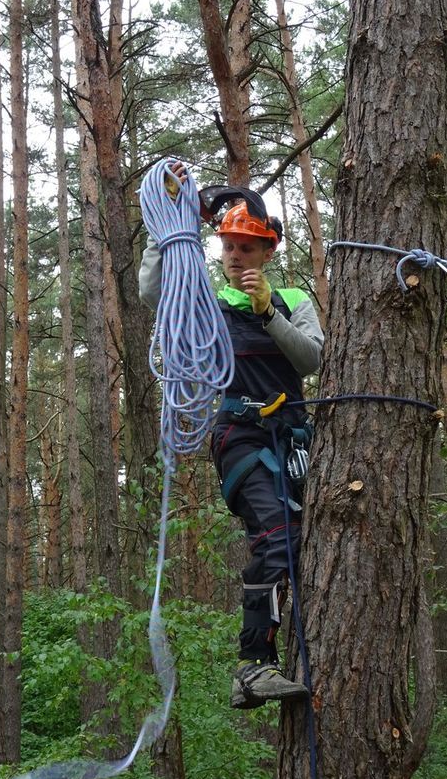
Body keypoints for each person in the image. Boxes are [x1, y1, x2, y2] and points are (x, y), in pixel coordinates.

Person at [139, 162, 324, 709]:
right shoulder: (205, 303)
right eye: (230, 246)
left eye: (248, 246)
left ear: (267, 251)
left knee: (306, 544)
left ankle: (279, 654)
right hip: (240, 436)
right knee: (276, 537)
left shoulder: (293, 300)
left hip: (293, 439)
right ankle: (253, 668)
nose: (237, 255)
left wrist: (268, 311)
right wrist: (175, 225)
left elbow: (311, 359)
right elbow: (155, 294)